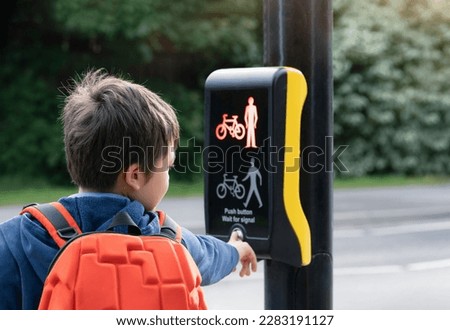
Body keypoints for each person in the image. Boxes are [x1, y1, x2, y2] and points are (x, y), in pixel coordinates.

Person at [0, 69, 257, 309]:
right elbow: (209, 258)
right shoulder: (168, 239)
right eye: (167, 167)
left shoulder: (20, 237)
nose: (168, 176)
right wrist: (235, 251)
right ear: (134, 175)